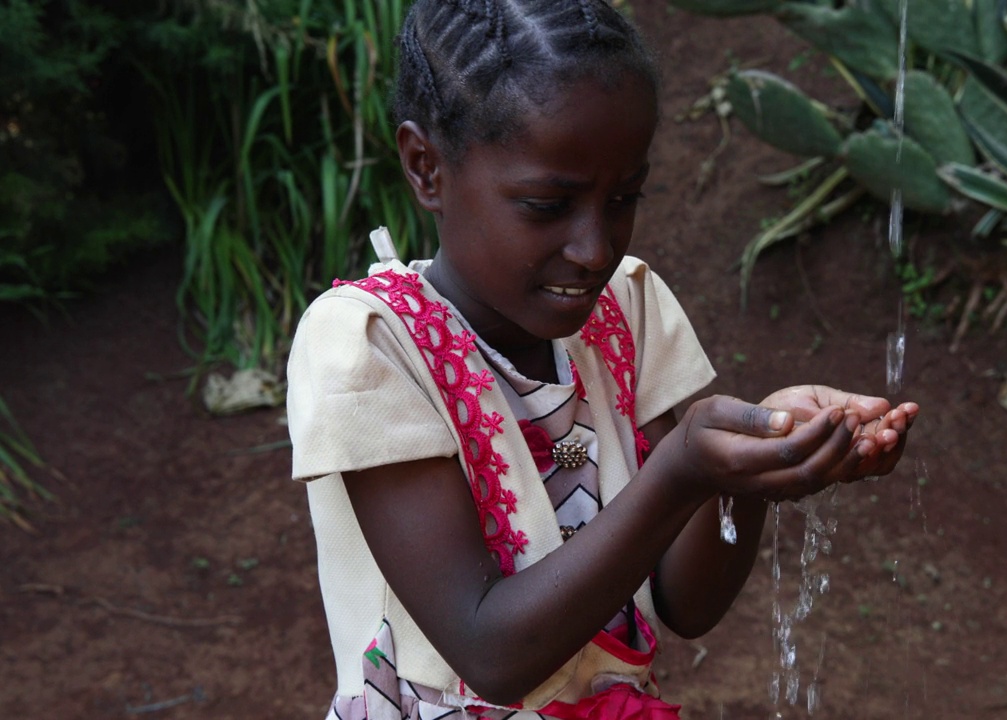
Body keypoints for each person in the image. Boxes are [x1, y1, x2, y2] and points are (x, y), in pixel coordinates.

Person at [286, 1, 919, 718]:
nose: (595, 247)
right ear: (426, 167)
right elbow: (491, 653)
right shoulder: (369, 346)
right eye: (547, 205)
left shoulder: (626, 309)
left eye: (624, 198)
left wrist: (753, 466)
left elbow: (685, 601)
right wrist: (681, 469)